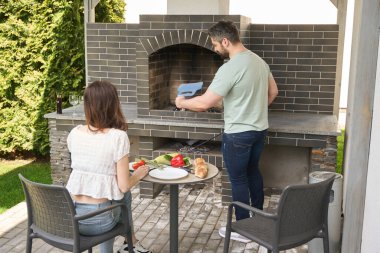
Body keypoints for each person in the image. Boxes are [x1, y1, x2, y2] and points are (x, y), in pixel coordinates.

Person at [175, 20, 278, 242]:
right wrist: (252, 109)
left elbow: (203, 103)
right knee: (253, 172)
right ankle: (258, 220)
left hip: (238, 135)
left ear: (225, 41)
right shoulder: (259, 62)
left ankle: (243, 229)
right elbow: (273, 93)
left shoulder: (229, 68)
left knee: (238, 178)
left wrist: (181, 102)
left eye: (215, 44)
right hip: (259, 130)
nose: (214, 49)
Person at [66, 80, 152, 253]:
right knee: (123, 194)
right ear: (113, 105)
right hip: (98, 221)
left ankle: (131, 244)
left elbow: (86, 167)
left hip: (70, 217)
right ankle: (131, 243)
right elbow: (124, 185)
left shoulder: (74, 133)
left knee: (119, 195)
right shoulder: (117, 137)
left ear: (87, 106)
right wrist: (139, 174)